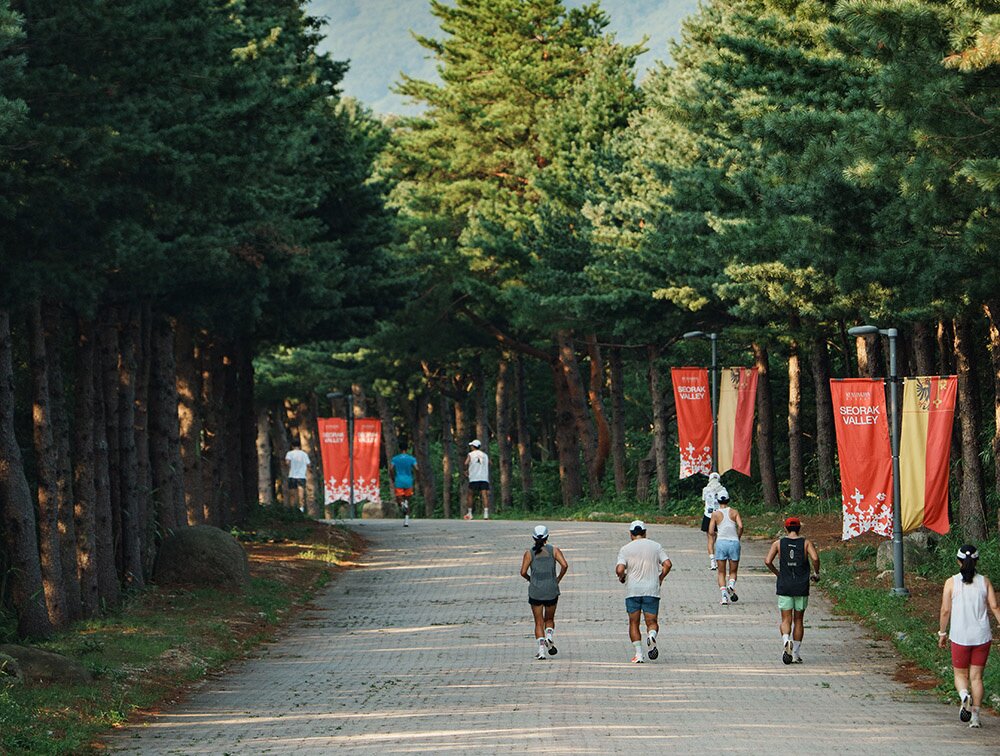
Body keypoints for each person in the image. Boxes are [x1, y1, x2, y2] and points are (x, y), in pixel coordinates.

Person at [938, 544, 1000, 728]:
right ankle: (975, 718)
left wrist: (942, 633)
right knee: (977, 677)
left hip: (960, 636)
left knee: (960, 674)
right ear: (976, 561)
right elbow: (995, 607)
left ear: (958, 561)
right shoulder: (984, 581)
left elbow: (945, 610)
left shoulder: (951, 582)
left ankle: (964, 695)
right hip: (981, 636)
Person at [764, 517, 819, 664]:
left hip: (785, 584)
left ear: (786, 528)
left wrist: (777, 573)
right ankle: (795, 653)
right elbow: (815, 558)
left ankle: (786, 640)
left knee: (785, 619)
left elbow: (767, 561)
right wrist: (816, 573)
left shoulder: (778, 543)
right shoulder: (806, 543)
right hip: (801, 585)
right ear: (799, 528)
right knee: (799, 620)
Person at [616, 520, 671, 663]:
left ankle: (639, 654)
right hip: (651, 589)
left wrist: (622, 577)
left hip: (633, 590)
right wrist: (661, 577)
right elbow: (667, 564)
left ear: (630, 534)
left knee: (633, 622)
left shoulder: (625, 549)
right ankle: (651, 635)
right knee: (651, 621)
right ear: (645, 532)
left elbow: (620, 569)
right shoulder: (656, 546)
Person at [520, 525, 568, 660]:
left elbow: (523, 572)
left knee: (538, 622)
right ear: (547, 537)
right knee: (549, 619)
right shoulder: (554, 550)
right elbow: (564, 565)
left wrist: (531, 579)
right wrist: (557, 578)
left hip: (535, 590)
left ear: (533, 538)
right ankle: (549, 636)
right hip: (551, 588)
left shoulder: (529, 553)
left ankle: (541, 651)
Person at [708, 494, 743, 605]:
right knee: (733, 571)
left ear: (718, 501)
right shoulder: (734, 512)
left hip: (721, 543)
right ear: (728, 500)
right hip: (734, 542)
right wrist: (738, 536)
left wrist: (716, 534)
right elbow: (741, 526)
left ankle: (724, 597)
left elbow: (710, 531)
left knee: (721, 572)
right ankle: (731, 585)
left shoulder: (715, 514)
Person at [702, 472, 728, 570]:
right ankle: (720, 560)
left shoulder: (705, 490)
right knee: (720, 539)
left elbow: (704, 501)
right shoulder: (723, 490)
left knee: (710, 539)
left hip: (708, 516)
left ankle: (712, 561)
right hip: (720, 516)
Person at [389, 442, 419, 527]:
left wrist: (392, 477)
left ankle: (402, 504)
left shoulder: (395, 459)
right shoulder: (411, 459)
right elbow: (417, 468)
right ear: (407, 449)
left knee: (399, 498)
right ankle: (406, 521)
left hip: (399, 480)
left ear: (399, 449)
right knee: (408, 500)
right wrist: (417, 477)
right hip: (408, 481)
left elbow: (391, 469)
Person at [464, 439, 490, 520]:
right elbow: (490, 463)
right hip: (484, 477)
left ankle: (470, 513)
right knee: (484, 495)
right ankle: (486, 514)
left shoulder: (471, 454)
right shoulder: (485, 455)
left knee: (470, 494)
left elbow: (466, 463)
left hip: (474, 477)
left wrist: (466, 471)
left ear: (473, 446)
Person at [284, 441, 311, 512]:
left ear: (292, 446)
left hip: (292, 475)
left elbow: (287, 463)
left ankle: (293, 510)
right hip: (301, 476)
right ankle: (301, 508)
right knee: (301, 494)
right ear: (300, 446)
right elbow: (308, 464)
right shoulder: (304, 454)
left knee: (292, 494)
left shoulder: (289, 453)